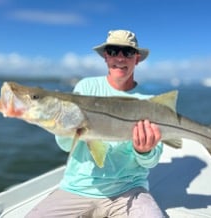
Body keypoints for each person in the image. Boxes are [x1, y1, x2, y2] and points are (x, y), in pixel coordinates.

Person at [26, 30, 165, 217]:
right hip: (77, 188)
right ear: (106, 57)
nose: (120, 58)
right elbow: (66, 145)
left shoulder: (149, 102)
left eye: (128, 52)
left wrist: (144, 151)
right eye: (113, 51)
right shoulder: (86, 87)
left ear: (137, 59)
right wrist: (63, 125)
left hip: (129, 189)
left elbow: (151, 160)